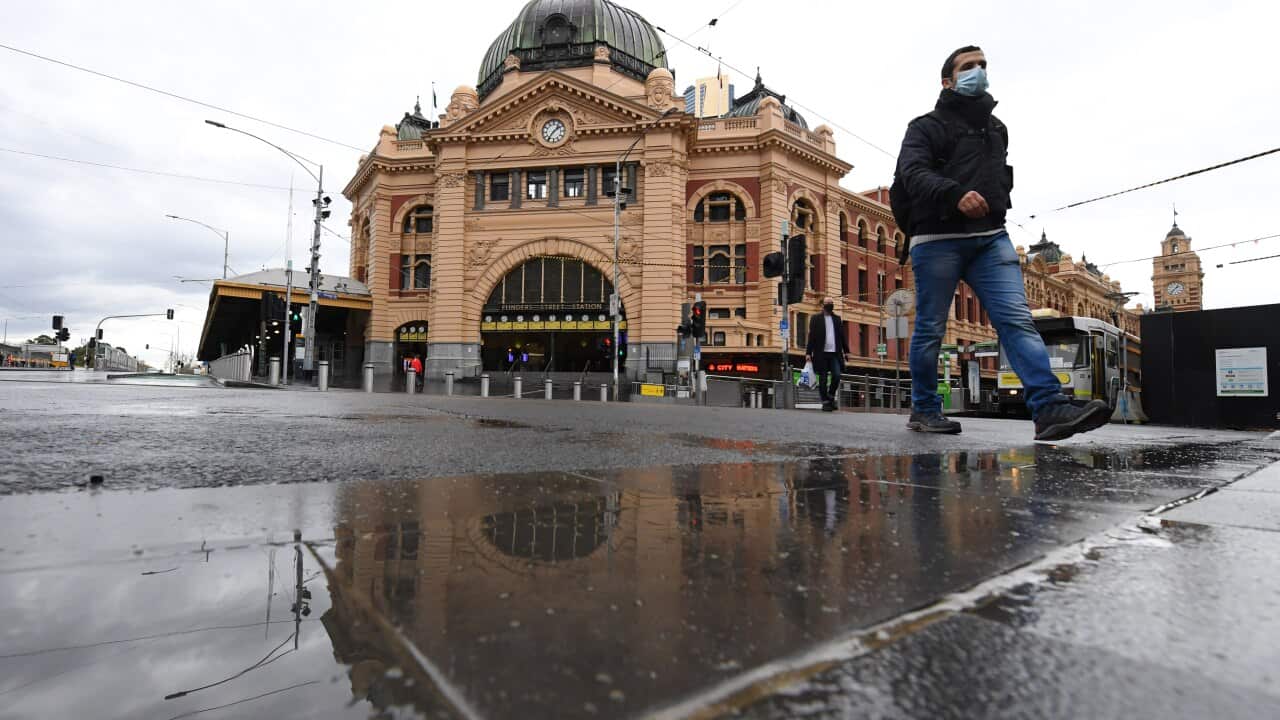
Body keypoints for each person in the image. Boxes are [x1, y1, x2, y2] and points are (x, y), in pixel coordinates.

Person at [891, 45, 1110, 441]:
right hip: (937, 239)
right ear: (947, 81)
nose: (978, 71)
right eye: (968, 67)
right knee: (930, 329)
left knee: (1017, 321)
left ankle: (1049, 409)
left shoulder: (996, 129)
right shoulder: (924, 127)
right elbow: (911, 173)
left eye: (982, 65)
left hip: (990, 239)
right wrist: (954, 193)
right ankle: (924, 409)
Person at [804, 297, 851, 412]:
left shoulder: (837, 319)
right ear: (823, 305)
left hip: (835, 353)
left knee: (837, 375)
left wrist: (846, 351)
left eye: (831, 303)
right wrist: (808, 353)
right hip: (821, 354)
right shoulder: (815, 319)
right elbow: (811, 336)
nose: (830, 305)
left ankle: (830, 396)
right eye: (827, 303)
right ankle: (826, 402)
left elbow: (842, 336)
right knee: (823, 379)